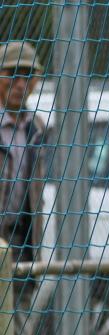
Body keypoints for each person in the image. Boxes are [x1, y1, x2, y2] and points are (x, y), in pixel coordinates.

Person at [0, 41, 46, 268]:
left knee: (21, 302)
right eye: (12, 74)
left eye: (28, 76)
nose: (20, 84)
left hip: (23, 244)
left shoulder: (36, 127)